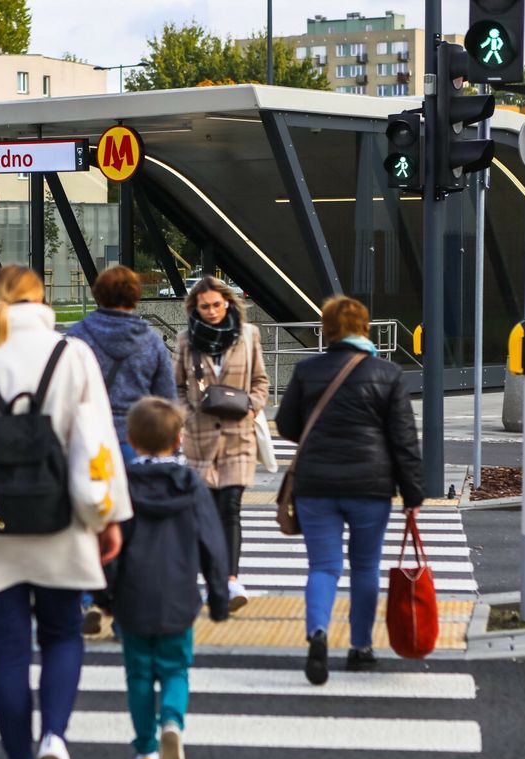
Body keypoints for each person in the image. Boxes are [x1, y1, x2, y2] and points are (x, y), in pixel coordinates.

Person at [0, 264, 131, 759]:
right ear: (41, 299)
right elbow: (98, 445)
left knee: (7, 653)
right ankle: (55, 739)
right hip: (62, 520)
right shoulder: (73, 355)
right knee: (64, 636)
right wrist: (110, 517)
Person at [274, 296, 424, 685]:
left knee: (323, 566)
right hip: (369, 487)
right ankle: (360, 648)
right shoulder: (388, 373)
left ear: (327, 329)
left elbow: (287, 425)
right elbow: (404, 440)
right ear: (365, 328)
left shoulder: (308, 370)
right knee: (365, 566)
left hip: (316, 485)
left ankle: (318, 632)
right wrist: (413, 495)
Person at [95, 396, 229, 759]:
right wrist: (218, 597)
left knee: (138, 675)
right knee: (175, 669)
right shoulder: (192, 486)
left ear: (132, 441)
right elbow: (212, 544)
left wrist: (104, 597)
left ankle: (146, 751)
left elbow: (109, 548)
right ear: (178, 440)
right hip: (179, 596)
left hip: (132, 599)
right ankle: (172, 720)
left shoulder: (123, 487)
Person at [66, 264, 177, 635]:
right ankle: (126, 608)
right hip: (135, 443)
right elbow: (167, 400)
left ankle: (84, 599)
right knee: (134, 531)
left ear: (98, 294)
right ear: (135, 296)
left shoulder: (77, 337)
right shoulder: (151, 341)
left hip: (88, 443)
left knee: (85, 521)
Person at [173, 276, 269, 614]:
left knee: (230, 507)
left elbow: (260, 380)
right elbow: (179, 387)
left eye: (217, 304)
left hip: (238, 436)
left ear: (227, 302)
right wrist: (186, 416)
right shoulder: (186, 340)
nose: (212, 311)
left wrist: (253, 406)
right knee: (206, 513)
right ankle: (212, 579)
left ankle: (230, 581)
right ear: (195, 308)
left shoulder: (248, 335)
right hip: (201, 439)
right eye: (205, 306)